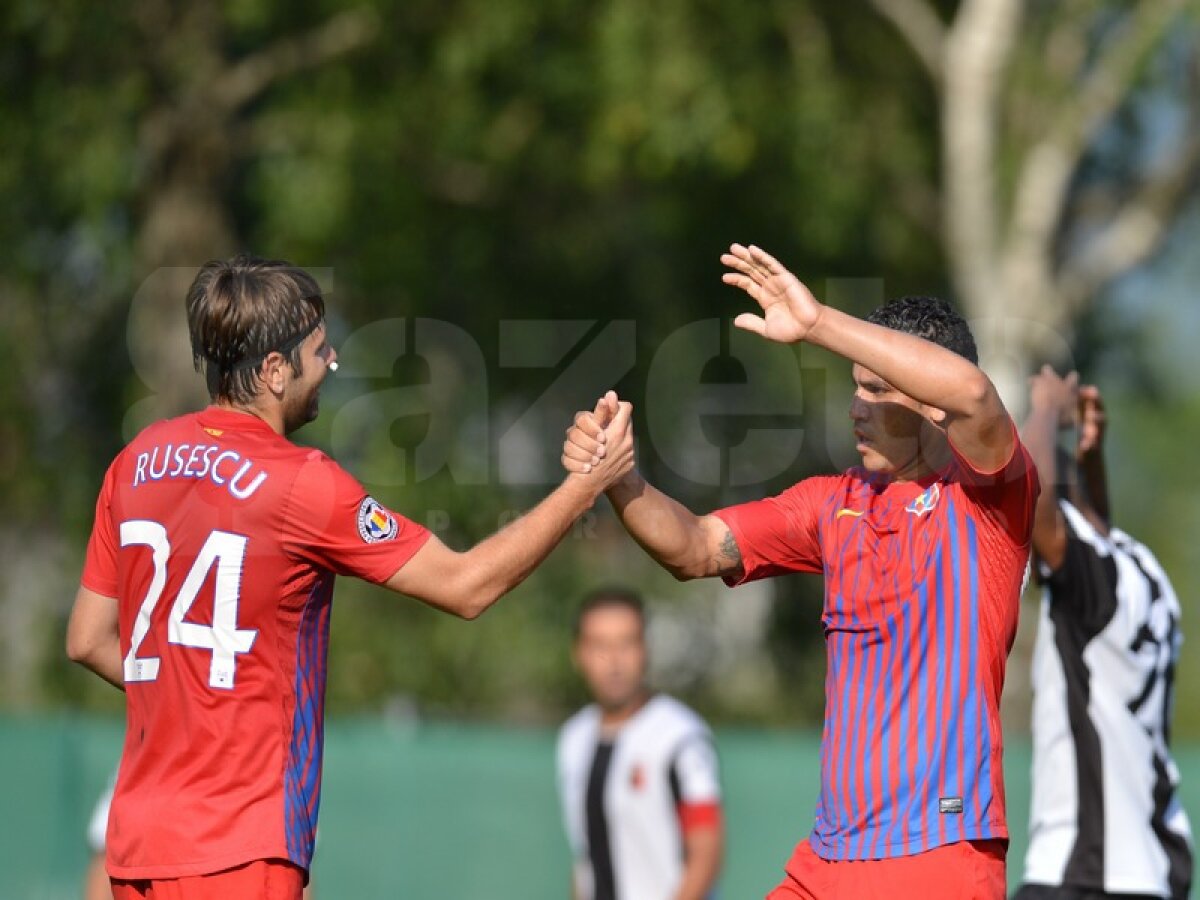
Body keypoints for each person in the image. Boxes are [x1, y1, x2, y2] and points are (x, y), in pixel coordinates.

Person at [66, 255, 634, 900]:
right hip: (238, 844)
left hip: (138, 845)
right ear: (275, 371)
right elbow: (466, 585)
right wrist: (587, 485)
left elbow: (87, 638)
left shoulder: (134, 461)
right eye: (318, 349)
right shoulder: (302, 482)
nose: (332, 361)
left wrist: (191, 696)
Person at [562, 244, 1039, 899]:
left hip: (937, 855)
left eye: (875, 389)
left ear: (930, 403)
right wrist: (622, 480)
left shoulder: (990, 499)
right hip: (826, 861)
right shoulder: (831, 502)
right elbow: (695, 548)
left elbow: (975, 394)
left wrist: (816, 323)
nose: (856, 407)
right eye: (855, 388)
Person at [1013, 368, 1193, 900]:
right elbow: (1093, 526)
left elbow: (1032, 497)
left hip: (1085, 868)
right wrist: (1091, 458)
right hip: (1155, 864)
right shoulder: (1140, 570)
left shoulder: (1090, 578)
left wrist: (1045, 408)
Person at [557, 588, 723, 900]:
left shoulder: (679, 735)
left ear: (645, 650)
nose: (614, 660)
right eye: (600, 645)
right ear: (578, 653)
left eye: (626, 643)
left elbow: (706, 852)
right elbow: (586, 858)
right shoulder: (573, 739)